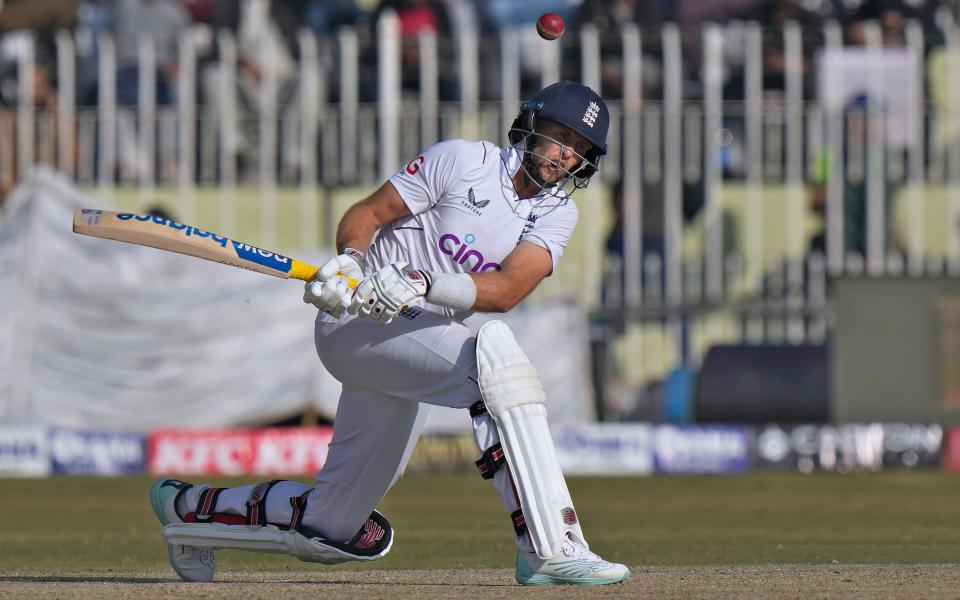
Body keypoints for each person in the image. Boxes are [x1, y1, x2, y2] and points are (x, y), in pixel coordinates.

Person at [149, 80, 630, 586]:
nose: (566, 156)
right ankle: (549, 546)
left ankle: (190, 510)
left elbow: (507, 290)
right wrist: (350, 263)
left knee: (332, 525)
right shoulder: (463, 161)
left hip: (419, 343)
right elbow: (368, 214)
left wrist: (422, 283)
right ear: (530, 126)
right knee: (499, 373)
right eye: (560, 137)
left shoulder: (558, 213)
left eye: (580, 150)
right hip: (360, 323)